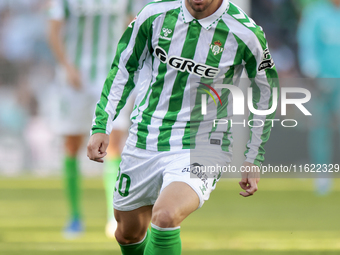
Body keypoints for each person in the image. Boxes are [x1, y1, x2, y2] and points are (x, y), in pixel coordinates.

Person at [87, 0, 279, 254]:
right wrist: (102, 124)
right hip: (145, 138)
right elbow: (124, 68)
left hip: (203, 144)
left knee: (165, 216)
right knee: (127, 234)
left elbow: (265, 92)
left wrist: (254, 155)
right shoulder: (153, 15)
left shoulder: (246, 32)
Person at [48, 0, 134, 238]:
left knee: (115, 143)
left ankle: (112, 216)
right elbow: (53, 29)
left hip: (112, 76)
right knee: (71, 145)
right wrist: (67, 67)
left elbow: (133, 26)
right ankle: (75, 216)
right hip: (74, 78)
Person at [298, 0, 340, 195]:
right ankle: (322, 175)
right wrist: (313, 72)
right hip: (324, 81)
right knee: (321, 128)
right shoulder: (316, 14)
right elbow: (307, 44)